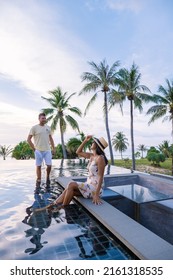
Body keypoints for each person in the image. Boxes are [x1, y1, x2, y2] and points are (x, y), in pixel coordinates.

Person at [45, 135, 108, 211]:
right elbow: (78, 152)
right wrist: (85, 140)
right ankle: (54, 205)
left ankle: (62, 208)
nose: (92, 143)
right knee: (70, 190)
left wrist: (96, 195)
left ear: (97, 146)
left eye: (93, 142)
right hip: (89, 186)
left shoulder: (100, 158)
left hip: (95, 189)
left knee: (71, 184)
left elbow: (101, 177)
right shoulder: (91, 156)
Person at [27, 113, 56, 187]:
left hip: (47, 150)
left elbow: (51, 139)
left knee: (49, 165)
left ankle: (47, 177)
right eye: (42, 118)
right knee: (38, 166)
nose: (44, 119)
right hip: (38, 150)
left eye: (45, 118)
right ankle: (39, 178)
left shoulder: (48, 128)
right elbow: (28, 139)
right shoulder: (34, 128)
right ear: (39, 119)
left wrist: (53, 148)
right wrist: (34, 149)